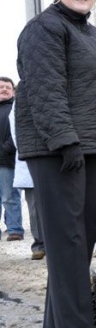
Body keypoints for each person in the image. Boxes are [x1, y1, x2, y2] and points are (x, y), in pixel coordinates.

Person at [16, 0, 96, 328]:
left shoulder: (91, 33)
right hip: (57, 148)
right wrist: (64, 141)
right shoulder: (44, 28)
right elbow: (45, 89)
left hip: (91, 145)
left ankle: (58, 324)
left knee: (80, 237)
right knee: (68, 237)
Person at [9, 103, 44, 259]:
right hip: (31, 158)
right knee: (35, 209)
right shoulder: (19, 104)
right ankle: (39, 245)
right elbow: (17, 132)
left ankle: (55, 244)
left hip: (56, 158)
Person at [0, 77, 24, 241]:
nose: (4, 89)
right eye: (1, 87)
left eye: (7, 87)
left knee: (9, 196)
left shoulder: (16, 109)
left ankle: (14, 229)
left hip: (8, 160)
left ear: (13, 91)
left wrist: (4, 150)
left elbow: (17, 134)